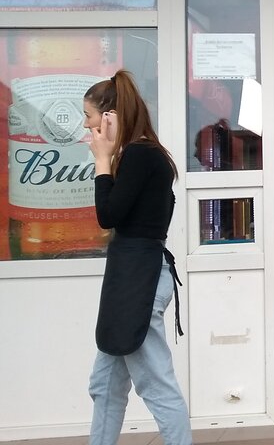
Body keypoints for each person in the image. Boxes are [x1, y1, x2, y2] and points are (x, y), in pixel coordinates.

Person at [83, 70, 191, 445]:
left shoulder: (140, 156)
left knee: (156, 385)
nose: (87, 125)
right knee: (105, 384)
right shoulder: (143, 155)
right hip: (133, 278)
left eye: (90, 117)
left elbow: (108, 215)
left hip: (138, 282)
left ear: (109, 116)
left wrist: (102, 160)